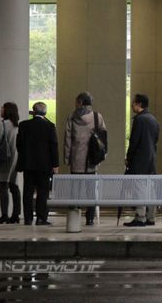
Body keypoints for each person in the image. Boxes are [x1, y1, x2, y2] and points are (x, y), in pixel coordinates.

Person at [64, 91, 107, 226]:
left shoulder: (71, 117)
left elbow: (67, 141)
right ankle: (89, 218)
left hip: (76, 158)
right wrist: (102, 155)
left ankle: (75, 214)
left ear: (80, 102)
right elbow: (103, 137)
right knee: (90, 190)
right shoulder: (96, 117)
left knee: (75, 189)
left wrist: (67, 158)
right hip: (91, 159)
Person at [16, 102, 59, 226]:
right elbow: (53, 146)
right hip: (44, 165)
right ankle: (41, 218)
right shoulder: (50, 126)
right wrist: (55, 164)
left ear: (33, 112)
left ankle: (28, 218)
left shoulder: (23, 125)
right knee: (43, 192)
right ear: (45, 113)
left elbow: (18, 144)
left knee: (28, 191)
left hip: (28, 164)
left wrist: (25, 157)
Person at [124, 93, 160, 227]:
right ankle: (151, 216)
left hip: (139, 160)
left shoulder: (139, 120)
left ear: (139, 104)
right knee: (150, 188)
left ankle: (140, 217)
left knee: (139, 188)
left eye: (133, 103)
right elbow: (155, 140)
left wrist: (129, 157)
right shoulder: (153, 120)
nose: (132, 105)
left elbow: (134, 141)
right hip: (151, 160)